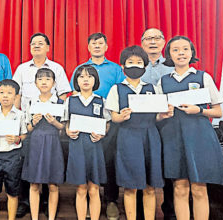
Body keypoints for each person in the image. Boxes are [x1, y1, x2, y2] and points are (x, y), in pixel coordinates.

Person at [157, 36, 223, 220]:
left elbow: (217, 112)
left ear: (191, 53)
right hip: (173, 138)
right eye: (175, 50)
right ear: (169, 55)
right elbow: (157, 116)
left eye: (185, 49)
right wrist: (162, 114)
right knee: (180, 187)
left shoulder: (203, 77)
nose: (180, 53)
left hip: (200, 138)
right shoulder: (163, 81)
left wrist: (198, 110)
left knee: (199, 188)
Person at [106, 46, 173, 220]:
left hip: (150, 136)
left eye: (138, 63)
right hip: (128, 137)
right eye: (130, 62)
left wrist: (162, 115)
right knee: (130, 185)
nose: (134, 66)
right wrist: (122, 116)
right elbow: (113, 117)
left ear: (144, 66)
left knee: (151, 186)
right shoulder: (116, 89)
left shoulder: (152, 88)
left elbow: (157, 115)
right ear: (122, 66)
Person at [12, 32, 71, 217]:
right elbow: (17, 95)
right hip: (31, 125)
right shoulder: (22, 68)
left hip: (52, 128)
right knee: (29, 168)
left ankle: (47, 204)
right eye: (33, 43)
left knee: (50, 172)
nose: (36, 46)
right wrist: (21, 120)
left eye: (40, 43)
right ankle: (26, 203)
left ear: (47, 47)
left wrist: (56, 113)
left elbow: (63, 94)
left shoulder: (56, 68)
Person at [69, 32, 125, 220]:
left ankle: (110, 202)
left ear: (106, 46)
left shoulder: (116, 69)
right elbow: (67, 119)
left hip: (106, 127)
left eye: (101, 43)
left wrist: (104, 130)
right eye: (94, 43)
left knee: (107, 166)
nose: (97, 46)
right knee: (82, 183)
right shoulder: (80, 69)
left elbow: (121, 93)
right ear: (88, 47)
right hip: (80, 138)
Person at [63, 65, 110, 220]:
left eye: (89, 76)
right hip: (77, 148)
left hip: (95, 148)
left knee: (94, 189)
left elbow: (107, 123)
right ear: (76, 80)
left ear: (95, 80)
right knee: (81, 188)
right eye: (81, 76)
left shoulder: (101, 100)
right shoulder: (70, 100)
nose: (85, 80)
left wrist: (102, 133)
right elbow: (65, 123)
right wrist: (68, 130)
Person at [140, 28, 175, 220]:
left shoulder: (172, 67)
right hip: (142, 125)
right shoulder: (135, 66)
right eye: (148, 38)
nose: (152, 41)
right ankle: (140, 211)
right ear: (142, 43)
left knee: (170, 164)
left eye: (157, 38)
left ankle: (170, 209)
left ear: (164, 42)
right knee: (142, 165)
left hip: (168, 123)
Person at [21, 68, 65, 220]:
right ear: (35, 83)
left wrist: (54, 122)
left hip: (53, 143)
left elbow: (64, 128)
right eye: (40, 79)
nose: (44, 82)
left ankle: (51, 217)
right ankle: (34, 217)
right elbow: (27, 128)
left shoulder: (60, 102)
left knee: (53, 184)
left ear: (53, 82)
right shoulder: (31, 102)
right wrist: (33, 122)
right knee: (34, 183)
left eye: (48, 79)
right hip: (35, 143)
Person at [0, 79, 27, 220]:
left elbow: (24, 134)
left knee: (13, 192)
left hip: (12, 156)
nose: (5, 96)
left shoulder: (20, 115)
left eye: (10, 93)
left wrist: (17, 139)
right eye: (2, 93)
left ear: (16, 96)